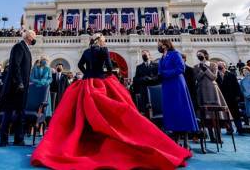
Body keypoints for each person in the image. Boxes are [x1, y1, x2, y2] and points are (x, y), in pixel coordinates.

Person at [31, 33, 192, 169]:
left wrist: (88, 73)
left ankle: (80, 142)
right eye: (104, 40)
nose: (105, 42)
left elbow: (80, 65)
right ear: (100, 41)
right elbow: (109, 67)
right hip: (100, 82)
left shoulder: (87, 51)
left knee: (80, 116)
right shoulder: (103, 50)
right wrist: (105, 73)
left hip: (86, 83)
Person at [158, 40, 199, 148]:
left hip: (176, 84)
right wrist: (160, 74)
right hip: (167, 86)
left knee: (180, 109)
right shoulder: (162, 57)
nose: (158, 46)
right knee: (171, 111)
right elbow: (160, 71)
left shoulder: (175, 54)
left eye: (159, 44)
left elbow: (181, 68)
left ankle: (185, 141)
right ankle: (175, 139)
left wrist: (165, 73)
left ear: (165, 45)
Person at [0, 30, 35, 146]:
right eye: (34, 35)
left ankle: (18, 139)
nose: (35, 37)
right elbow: (15, 66)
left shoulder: (27, 50)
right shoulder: (18, 47)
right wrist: (19, 82)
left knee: (20, 112)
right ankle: (3, 140)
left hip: (23, 87)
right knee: (8, 112)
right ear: (29, 36)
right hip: (15, 87)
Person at [194, 49, 229, 143]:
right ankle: (211, 137)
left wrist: (206, 69)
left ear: (205, 55)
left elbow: (214, 77)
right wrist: (202, 70)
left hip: (213, 90)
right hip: (202, 91)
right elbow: (197, 78)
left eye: (200, 54)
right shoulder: (196, 66)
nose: (199, 56)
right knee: (206, 115)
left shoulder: (213, 65)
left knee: (215, 113)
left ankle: (219, 136)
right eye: (197, 55)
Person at [216, 61, 243, 135]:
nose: (219, 67)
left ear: (224, 66)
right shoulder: (216, 76)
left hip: (232, 98)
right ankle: (229, 129)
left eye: (220, 65)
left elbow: (236, 86)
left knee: (236, 114)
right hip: (222, 99)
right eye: (218, 66)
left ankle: (240, 129)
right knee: (225, 115)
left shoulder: (231, 75)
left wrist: (237, 96)